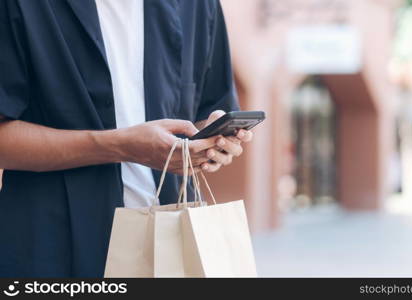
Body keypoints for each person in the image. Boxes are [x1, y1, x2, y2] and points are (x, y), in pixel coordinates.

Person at [0, 0, 252, 277]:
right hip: (53, 248)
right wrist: (119, 146)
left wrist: (211, 142)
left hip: (175, 245)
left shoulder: (198, 6)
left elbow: (209, 111)